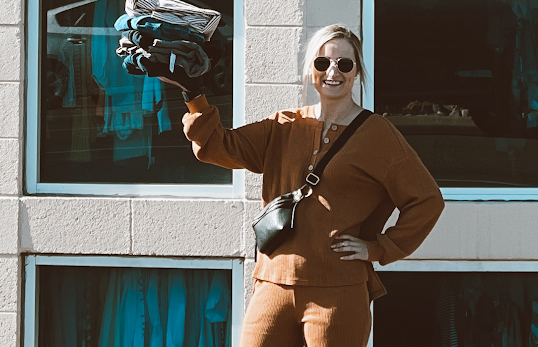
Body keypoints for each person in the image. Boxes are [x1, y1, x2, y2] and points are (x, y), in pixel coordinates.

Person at [173, 23, 443, 347]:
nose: (333, 71)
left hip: (338, 292)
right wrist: (193, 94)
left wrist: (378, 248)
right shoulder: (285, 124)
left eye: (344, 64)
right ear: (310, 69)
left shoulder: (378, 134)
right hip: (272, 282)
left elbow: (427, 200)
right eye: (322, 62)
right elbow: (218, 145)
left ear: (357, 71)